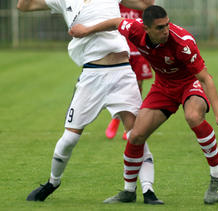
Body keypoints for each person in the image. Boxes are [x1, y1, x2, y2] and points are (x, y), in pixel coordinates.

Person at [70, 5, 218, 204]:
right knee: (136, 135)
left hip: (188, 84)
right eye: (159, 28)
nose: (166, 30)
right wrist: (86, 30)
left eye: (167, 25)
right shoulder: (135, 29)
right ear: (146, 28)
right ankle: (129, 191)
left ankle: (217, 177)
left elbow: (206, 79)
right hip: (163, 86)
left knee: (193, 116)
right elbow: (115, 22)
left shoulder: (183, 43)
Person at [17, 0, 163, 204]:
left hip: (122, 74)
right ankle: (52, 182)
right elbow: (23, 6)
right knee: (69, 139)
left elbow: (147, 3)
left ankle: (148, 191)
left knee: (136, 135)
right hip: (91, 77)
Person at [106, 3, 154, 140]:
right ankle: (117, 119)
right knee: (117, 84)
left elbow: (150, 5)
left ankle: (132, 123)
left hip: (138, 48)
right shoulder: (116, 3)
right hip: (120, 48)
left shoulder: (139, 3)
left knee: (137, 85)